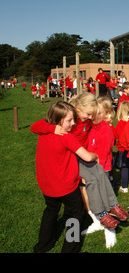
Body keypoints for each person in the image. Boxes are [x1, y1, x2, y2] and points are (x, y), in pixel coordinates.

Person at [33, 101, 99, 253]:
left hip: (46, 185)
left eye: (73, 119)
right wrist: (96, 156)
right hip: (66, 186)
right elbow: (87, 157)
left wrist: (51, 127)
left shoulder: (43, 131)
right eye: (69, 120)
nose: (73, 123)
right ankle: (70, 249)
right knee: (75, 214)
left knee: (51, 211)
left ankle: (43, 246)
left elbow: (35, 126)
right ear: (57, 120)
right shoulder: (66, 137)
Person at [88, 96, 115, 176]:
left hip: (101, 167)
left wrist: (99, 170)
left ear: (107, 113)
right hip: (91, 165)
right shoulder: (92, 125)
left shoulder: (105, 130)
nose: (95, 116)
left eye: (99, 113)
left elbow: (104, 152)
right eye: (94, 112)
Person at [114, 101, 129, 193]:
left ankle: (124, 187)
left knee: (124, 167)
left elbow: (116, 135)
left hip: (123, 149)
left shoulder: (121, 123)